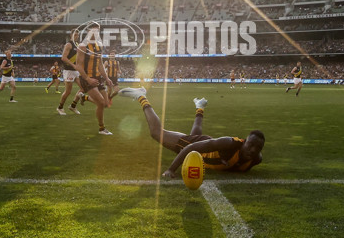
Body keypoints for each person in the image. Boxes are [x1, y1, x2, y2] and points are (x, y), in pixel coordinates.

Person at [119, 87, 264, 177]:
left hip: (204, 151)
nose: (253, 150)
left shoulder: (256, 159)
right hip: (197, 149)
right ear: (244, 142)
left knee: (195, 137)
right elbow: (191, 147)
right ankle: (141, 96)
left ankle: (200, 107)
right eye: (250, 145)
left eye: (257, 148)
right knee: (157, 133)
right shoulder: (229, 143)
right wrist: (171, 170)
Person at [75, 22, 113, 135]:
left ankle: (84, 97)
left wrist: (106, 78)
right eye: (93, 30)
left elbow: (100, 63)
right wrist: (87, 79)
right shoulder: (82, 46)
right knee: (100, 103)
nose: (96, 33)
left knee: (106, 104)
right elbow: (78, 65)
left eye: (97, 31)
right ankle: (102, 129)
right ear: (88, 31)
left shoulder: (98, 45)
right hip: (87, 78)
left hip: (98, 77)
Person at [57, 29, 82, 115]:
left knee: (83, 88)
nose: (76, 36)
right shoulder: (69, 44)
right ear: (71, 35)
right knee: (68, 91)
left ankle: (73, 106)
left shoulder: (77, 45)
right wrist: (73, 65)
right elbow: (63, 58)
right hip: (68, 70)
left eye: (77, 35)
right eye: (75, 35)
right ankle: (60, 108)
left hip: (76, 71)